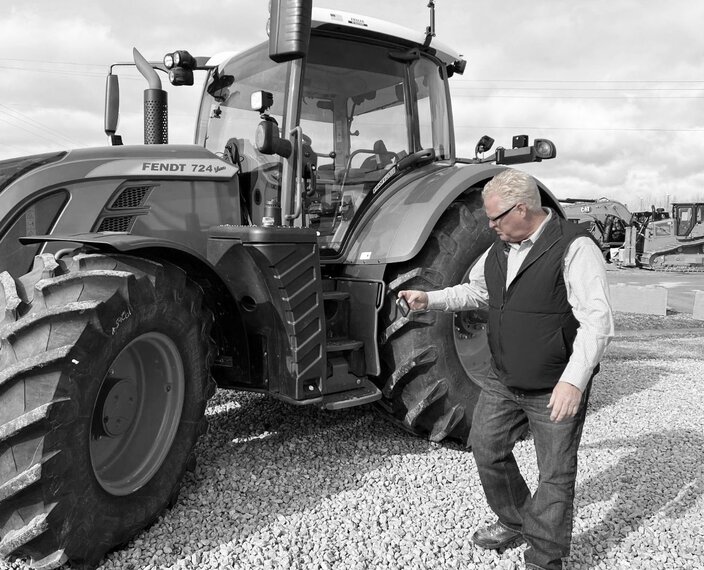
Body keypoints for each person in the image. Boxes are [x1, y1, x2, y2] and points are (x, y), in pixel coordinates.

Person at [398, 169, 614, 570]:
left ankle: (544, 558)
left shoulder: (574, 248)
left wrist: (573, 382)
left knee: (555, 474)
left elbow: (598, 322)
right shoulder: (499, 248)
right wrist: (429, 299)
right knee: (487, 447)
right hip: (502, 377)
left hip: (554, 384)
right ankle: (515, 520)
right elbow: (475, 290)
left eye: (497, 217)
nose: (491, 225)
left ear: (523, 209)